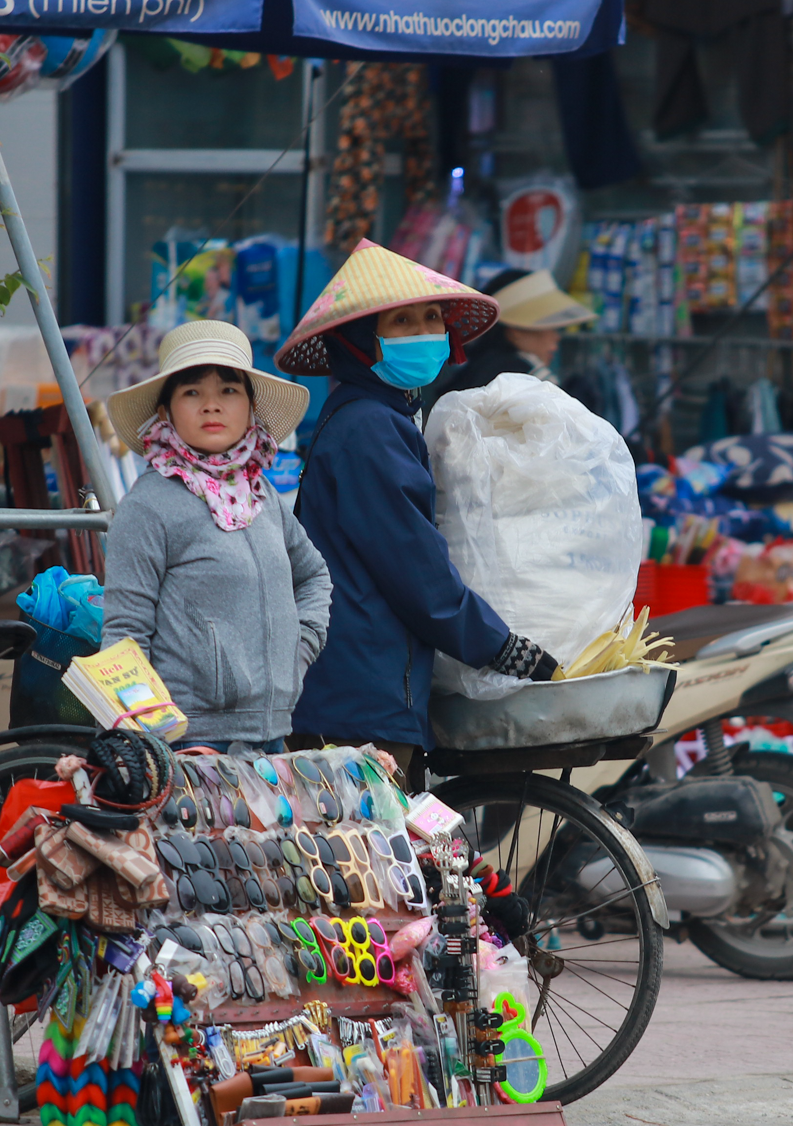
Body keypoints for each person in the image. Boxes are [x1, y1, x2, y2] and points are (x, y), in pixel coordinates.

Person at [273, 240, 561, 783]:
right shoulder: (370, 429)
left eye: (432, 318)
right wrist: (501, 647)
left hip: (370, 686)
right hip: (355, 697)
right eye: (402, 322)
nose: (425, 332)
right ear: (360, 342)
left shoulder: (384, 418)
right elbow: (415, 569)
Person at [101, 320, 331, 753]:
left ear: (250, 406)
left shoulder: (262, 495)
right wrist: (142, 747)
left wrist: (295, 655)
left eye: (228, 390)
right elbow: (125, 635)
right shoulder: (148, 506)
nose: (211, 406)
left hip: (273, 738)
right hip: (192, 744)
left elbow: (314, 577)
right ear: (165, 411)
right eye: (192, 392)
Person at [424, 267, 594, 415]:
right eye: (549, 326)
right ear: (516, 330)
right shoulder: (529, 377)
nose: (556, 336)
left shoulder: (476, 369)